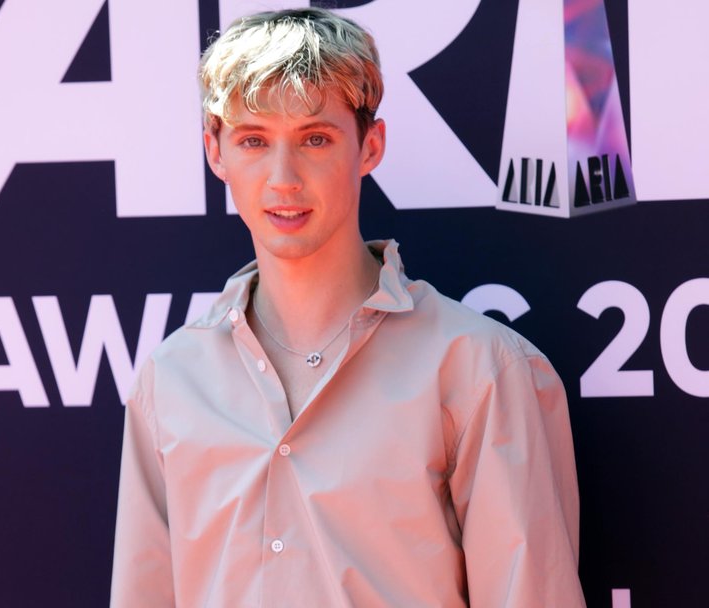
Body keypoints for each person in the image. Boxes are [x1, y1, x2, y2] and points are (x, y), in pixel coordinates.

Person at [110, 7, 586, 607]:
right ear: (215, 152)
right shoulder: (171, 381)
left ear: (370, 145)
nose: (283, 178)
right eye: (254, 140)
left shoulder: (479, 368)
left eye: (315, 138)